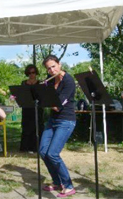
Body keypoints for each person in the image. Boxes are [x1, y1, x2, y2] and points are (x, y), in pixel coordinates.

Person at [38, 55, 77, 197]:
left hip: (66, 121)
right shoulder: (50, 81)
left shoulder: (68, 81)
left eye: (53, 66)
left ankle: (68, 185)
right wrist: (40, 91)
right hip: (52, 121)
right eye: (48, 68)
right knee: (43, 151)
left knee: (53, 154)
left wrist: (44, 98)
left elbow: (57, 106)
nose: (51, 70)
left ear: (59, 64)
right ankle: (56, 182)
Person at [20, 64, 44, 153]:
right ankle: (26, 147)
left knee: (37, 127)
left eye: (33, 72)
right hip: (26, 107)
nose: (31, 74)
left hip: (37, 108)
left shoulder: (40, 83)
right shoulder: (23, 83)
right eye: (29, 73)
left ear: (36, 73)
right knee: (26, 127)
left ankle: (36, 147)